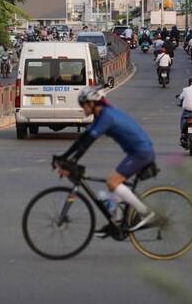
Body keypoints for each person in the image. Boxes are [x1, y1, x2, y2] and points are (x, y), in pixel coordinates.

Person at [54, 87, 156, 233]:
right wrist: (64, 157)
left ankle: (146, 213)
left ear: (91, 103)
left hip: (141, 153)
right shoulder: (101, 115)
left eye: (83, 105)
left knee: (112, 182)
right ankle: (116, 222)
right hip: (137, 152)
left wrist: (72, 160)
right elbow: (83, 138)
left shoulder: (107, 117)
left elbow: (88, 142)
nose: (82, 109)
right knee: (112, 186)